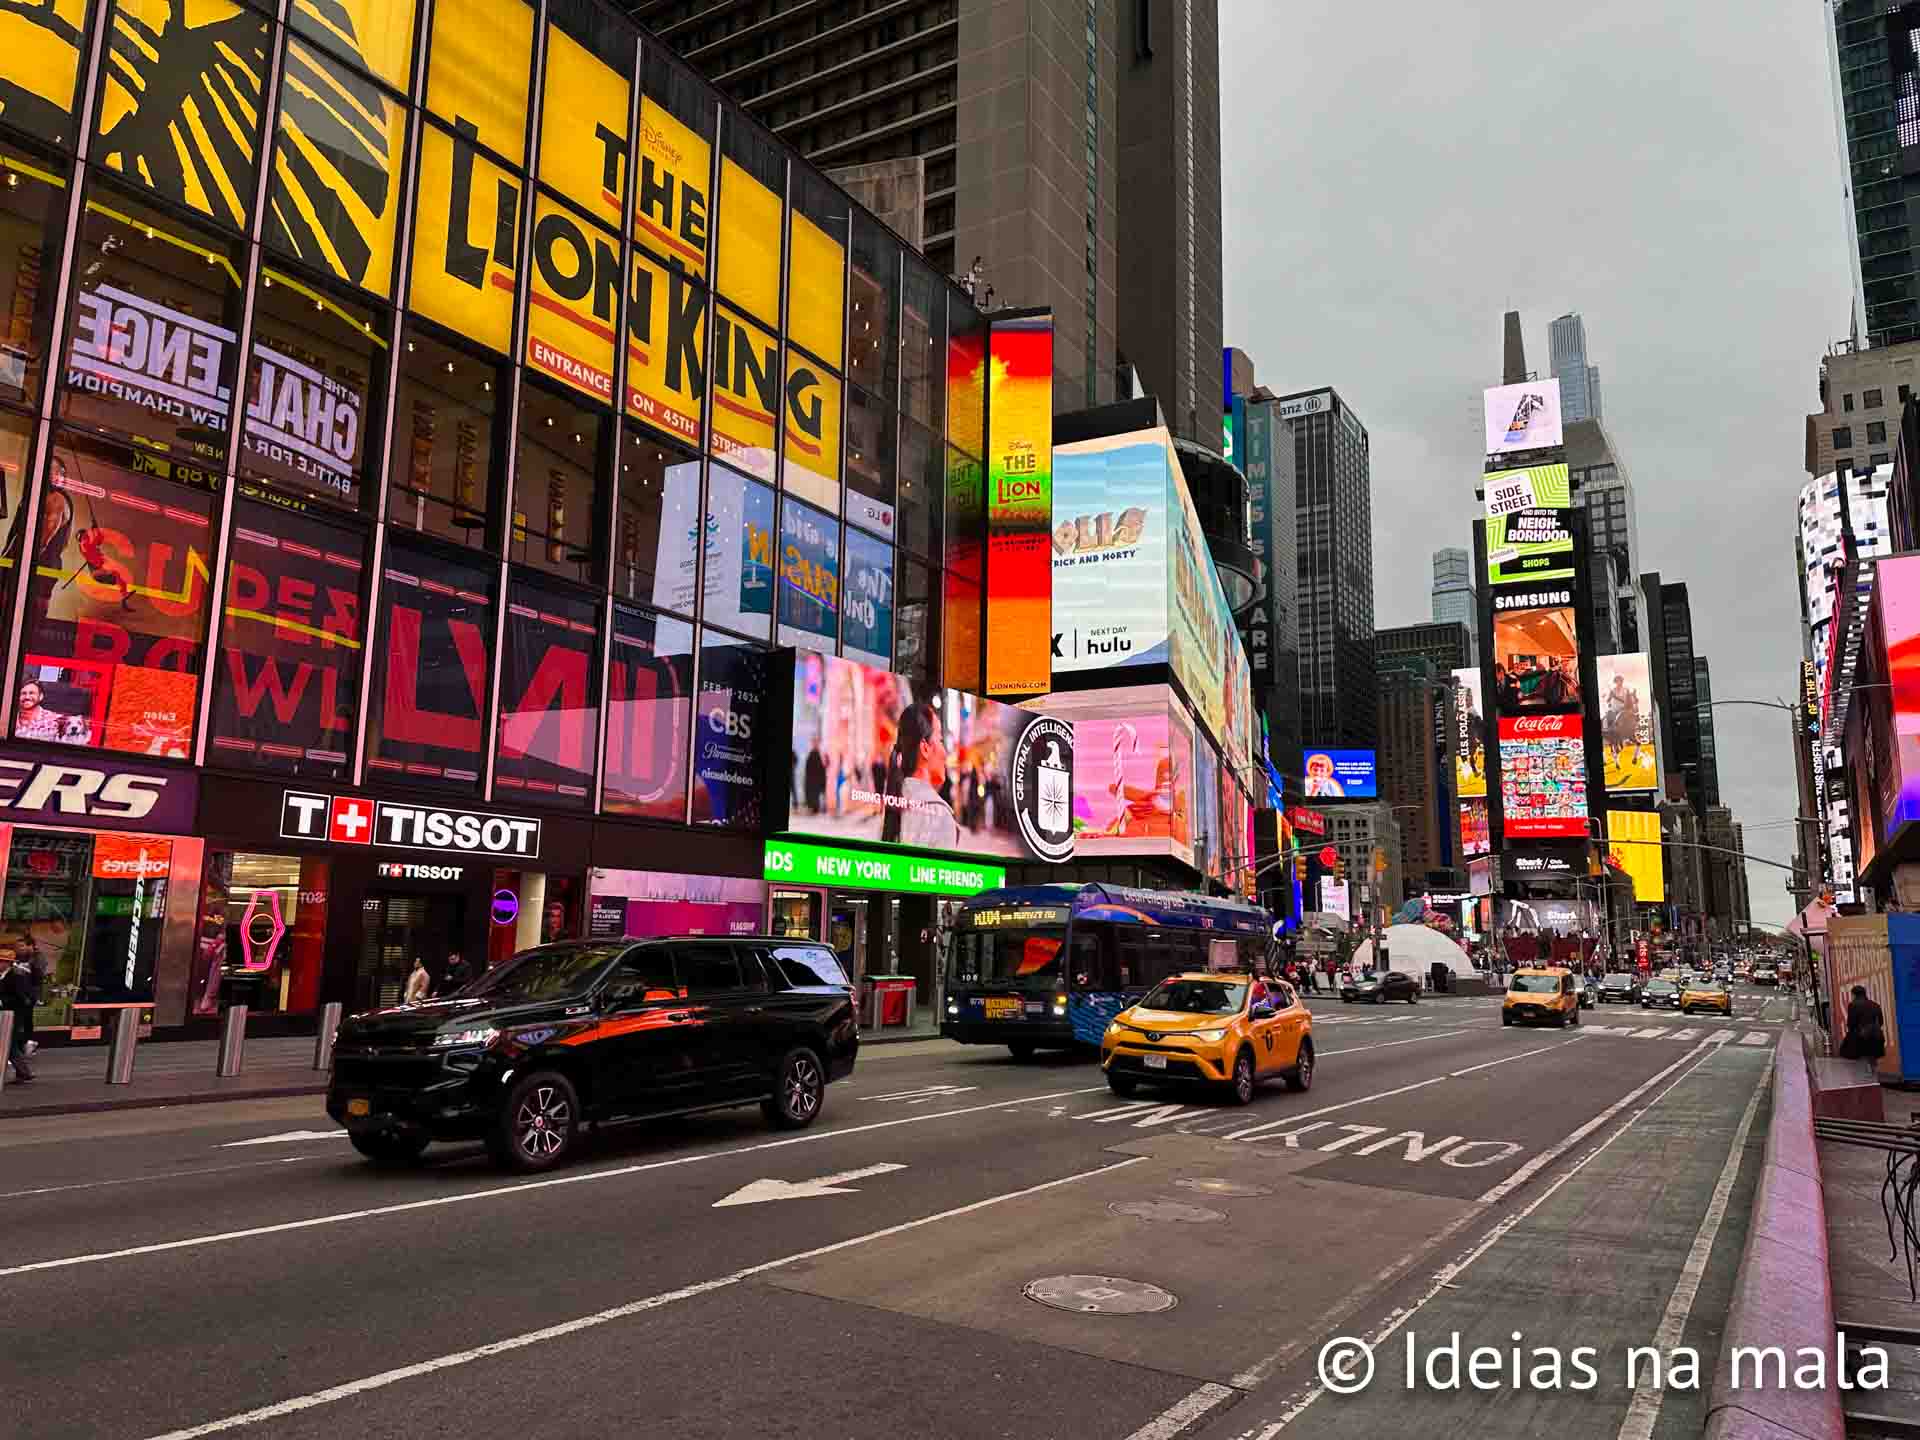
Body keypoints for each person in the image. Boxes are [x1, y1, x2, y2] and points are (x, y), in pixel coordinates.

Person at [881, 702, 960, 851]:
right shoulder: (940, 817)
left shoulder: (892, 806)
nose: (945, 752)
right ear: (925, 748)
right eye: (941, 740)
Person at [1, 948, 37, 1082]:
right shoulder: (3, 975)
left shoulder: (17, 976)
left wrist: (2, 1001)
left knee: (10, 1045)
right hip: (3, 1015)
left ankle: (24, 1072)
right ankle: (23, 1072)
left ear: (8, 963)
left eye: (1, 961)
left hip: (13, 1016)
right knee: (10, 1045)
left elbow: (23, 999)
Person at [1840, 984, 1887, 1078]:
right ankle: (1874, 1080)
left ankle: (1864, 1082)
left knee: (1857, 1060)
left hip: (1861, 1039)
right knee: (1872, 1061)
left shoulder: (1853, 1005)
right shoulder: (1875, 1005)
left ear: (1854, 994)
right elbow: (1881, 1022)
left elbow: (1851, 1024)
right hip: (1876, 1037)